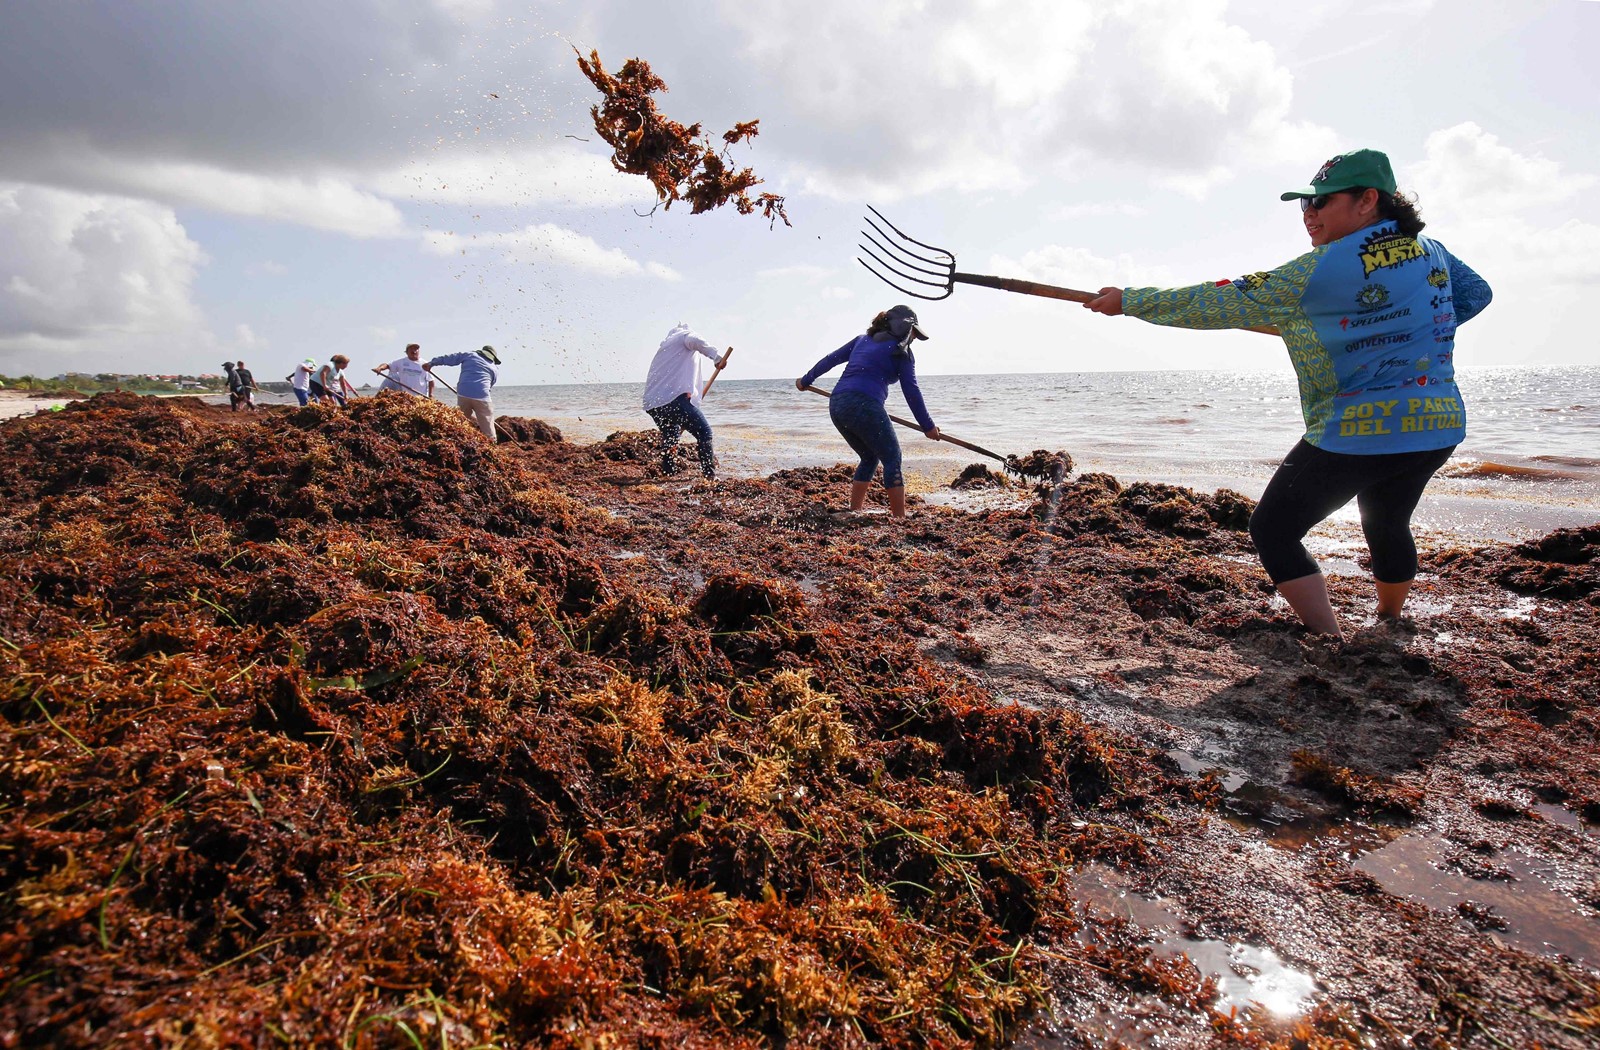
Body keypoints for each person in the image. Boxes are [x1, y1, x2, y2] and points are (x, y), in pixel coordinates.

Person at [1083, 148, 1493, 638]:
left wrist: (1129, 301)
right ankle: (1389, 620)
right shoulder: (1433, 251)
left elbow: (1217, 301)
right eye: (1303, 206)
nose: (1309, 215)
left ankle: (1328, 638)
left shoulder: (1319, 269)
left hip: (1360, 431)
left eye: (1320, 202)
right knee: (1386, 519)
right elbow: (1475, 294)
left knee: (1273, 529)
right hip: (1437, 425)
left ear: (1368, 200)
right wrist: (1394, 331)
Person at [796, 305, 940, 518]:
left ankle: (855, 511)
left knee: (869, 457)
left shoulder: (861, 340)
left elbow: (830, 360)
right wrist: (928, 426)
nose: (914, 340)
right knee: (892, 457)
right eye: (914, 334)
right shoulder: (902, 353)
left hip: (837, 405)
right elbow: (911, 391)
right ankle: (899, 518)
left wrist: (805, 380)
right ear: (904, 329)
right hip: (865, 404)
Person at [641, 323, 730, 478]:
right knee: (704, 432)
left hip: (653, 404)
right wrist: (716, 357)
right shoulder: (684, 336)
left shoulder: (667, 347)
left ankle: (668, 472)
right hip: (673, 400)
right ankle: (709, 476)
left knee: (671, 435)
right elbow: (695, 340)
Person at [425, 345, 500, 440]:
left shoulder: (470, 355)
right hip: (482, 395)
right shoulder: (494, 368)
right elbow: (490, 385)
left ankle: (456, 440)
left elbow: (450, 358)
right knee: (488, 425)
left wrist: (432, 363)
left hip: (463, 393)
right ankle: (492, 444)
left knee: (460, 421)